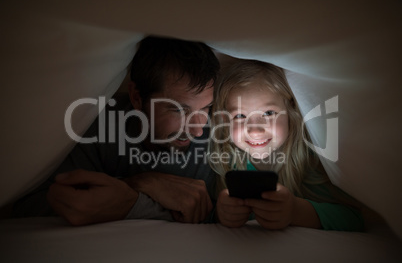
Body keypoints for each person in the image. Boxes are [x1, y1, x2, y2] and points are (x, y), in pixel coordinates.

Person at [13, 35, 220, 225]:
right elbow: (31, 206)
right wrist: (142, 184)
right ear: (137, 98)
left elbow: (217, 218)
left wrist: (129, 197)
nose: (197, 130)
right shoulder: (102, 126)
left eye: (205, 108)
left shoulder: (215, 138)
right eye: (178, 110)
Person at [208, 59, 364, 231]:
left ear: (290, 110)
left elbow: (354, 219)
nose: (255, 130)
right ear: (225, 120)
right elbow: (208, 217)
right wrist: (222, 214)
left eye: (268, 113)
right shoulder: (225, 162)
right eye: (240, 116)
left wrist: (296, 211)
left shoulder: (309, 162)